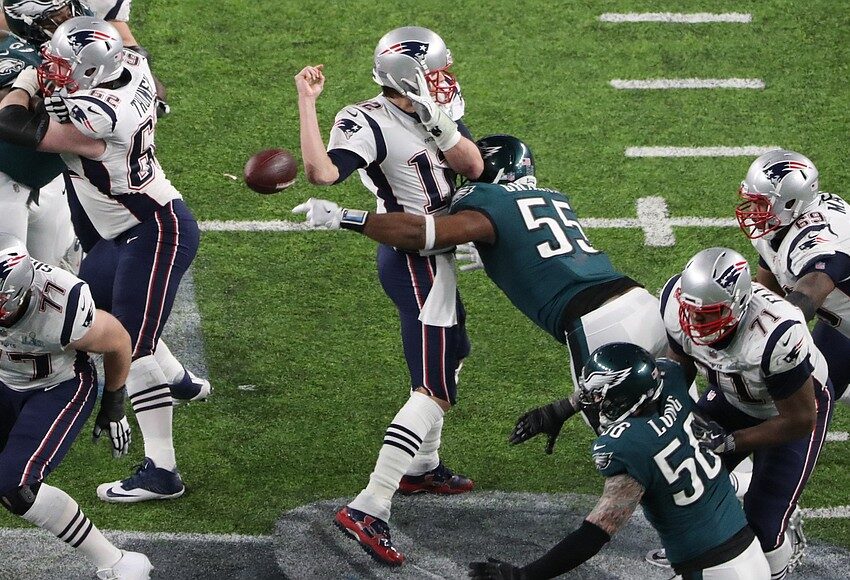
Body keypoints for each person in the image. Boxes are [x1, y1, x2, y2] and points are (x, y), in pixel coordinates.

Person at [293, 134, 667, 439]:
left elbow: (421, 233)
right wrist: (495, 252)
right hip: (642, 302)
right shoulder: (553, 197)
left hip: (596, 322)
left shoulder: (489, 201)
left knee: (624, 437)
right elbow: (535, 245)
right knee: (676, 412)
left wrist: (346, 217)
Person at [295, 25, 483, 566]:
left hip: (437, 251)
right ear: (409, 75)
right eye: (437, 71)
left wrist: (437, 118)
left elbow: (472, 166)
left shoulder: (437, 110)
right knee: (435, 387)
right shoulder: (367, 119)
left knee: (455, 351)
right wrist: (308, 103)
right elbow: (322, 173)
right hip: (412, 258)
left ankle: (421, 467)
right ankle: (370, 505)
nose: (446, 79)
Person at [0, 16, 201, 502]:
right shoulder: (127, 65)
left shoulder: (99, 115)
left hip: (153, 229)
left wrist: (25, 82)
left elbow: (11, 123)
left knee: (136, 346)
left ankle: (162, 471)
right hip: (119, 232)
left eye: (65, 66)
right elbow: (138, 60)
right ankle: (180, 383)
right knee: (97, 318)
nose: (54, 70)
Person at [467, 342, 770, 580]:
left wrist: (524, 575)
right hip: (744, 551)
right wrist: (561, 409)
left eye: (601, 397)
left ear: (624, 398)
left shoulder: (630, 446)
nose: (594, 403)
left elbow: (594, 534)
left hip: (713, 570)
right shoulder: (672, 386)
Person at [659, 247, 833, 578]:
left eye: (707, 315)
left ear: (738, 305)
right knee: (680, 483)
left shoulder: (776, 334)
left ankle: (780, 550)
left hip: (788, 408)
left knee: (764, 523)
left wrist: (730, 441)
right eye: (690, 312)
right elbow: (677, 373)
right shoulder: (675, 301)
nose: (694, 323)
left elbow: (800, 421)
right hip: (731, 394)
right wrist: (676, 419)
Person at [0, 233, 152, 579]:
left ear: (16, 293)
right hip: (5, 377)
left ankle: (118, 562)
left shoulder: (62, 303)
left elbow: (118, 340)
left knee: (15, 488)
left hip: (57, 385)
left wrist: (114, 400)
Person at [736, 149, 850, 403]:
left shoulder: (820, 239)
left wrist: (768, 340)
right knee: (813, 386)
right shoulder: (780, 227)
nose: (753, 211)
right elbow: (769, 292)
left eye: (761, 203)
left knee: (808, 396)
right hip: (841, 323)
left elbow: (806, 297)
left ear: (791, 203)